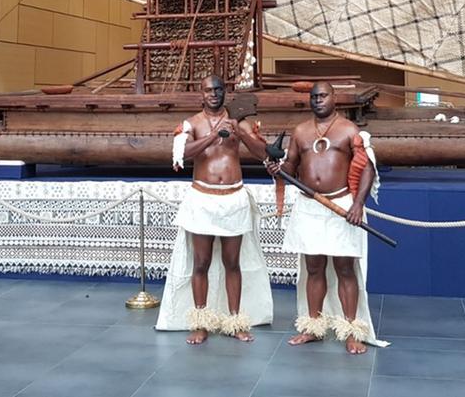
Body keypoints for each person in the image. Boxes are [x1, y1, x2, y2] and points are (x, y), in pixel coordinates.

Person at [267, 81, 387, 354]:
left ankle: (351, 331)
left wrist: (358, 204)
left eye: (323, 96)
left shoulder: (349, 129)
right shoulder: (301, 131)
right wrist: (277, 169)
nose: (318, 100)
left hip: (340, 204)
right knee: (313, 268)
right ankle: (313, 327)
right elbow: (290, 166)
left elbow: (367, 168)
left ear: (334, 98)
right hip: (309, 206)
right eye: (314, 97)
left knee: (345, 269)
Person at [155, 75, 273, 344]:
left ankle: (235, 321)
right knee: (201, 263)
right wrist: (213, 136)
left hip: (233, 197)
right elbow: (183, 153)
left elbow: (261, 152)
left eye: (218, 90)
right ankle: (200, 323)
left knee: (232, 263)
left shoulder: (238, 121)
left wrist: (240, 132)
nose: (213, 94)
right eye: (208, 90)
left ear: (224, 92)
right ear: (201, 93)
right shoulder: (192, 123)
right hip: (203, 198)